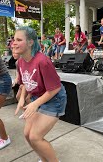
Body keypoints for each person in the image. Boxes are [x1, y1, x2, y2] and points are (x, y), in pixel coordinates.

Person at [12, 26, 67, 162]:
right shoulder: (20, 62)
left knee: (35, 137)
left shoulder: (43, 61)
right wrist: (21, 99)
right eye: (14, 40)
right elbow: (25, 82)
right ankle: (44, 159)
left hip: (54, 99)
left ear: (30, 42)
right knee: (27, 134)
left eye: (19, 40)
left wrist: (34, 104)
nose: (14, 43)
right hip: (38, 98)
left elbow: (54, 89)